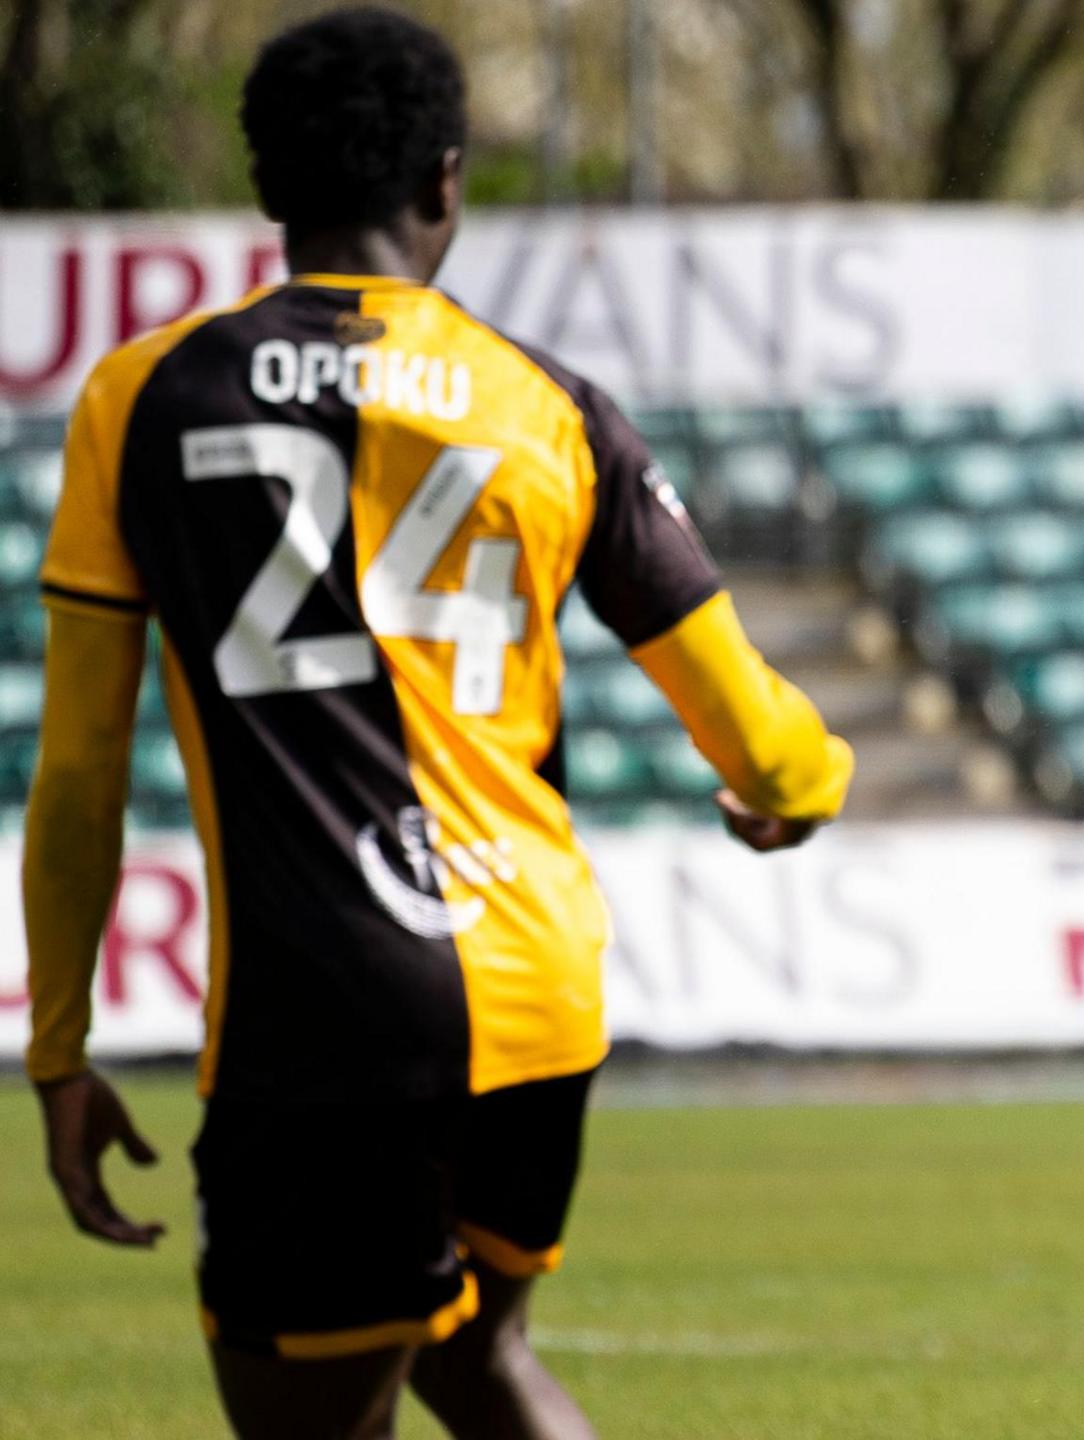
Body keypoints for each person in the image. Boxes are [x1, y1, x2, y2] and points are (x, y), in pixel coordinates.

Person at [21, 9, 855, 1437]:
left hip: (320, 1009)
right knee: (481, 1360)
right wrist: (802, 784)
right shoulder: (551, 408)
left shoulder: (141, 397)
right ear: (447, 181)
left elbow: (85, 766)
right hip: (535, 991)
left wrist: (57, 1049)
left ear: (271, 188)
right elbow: (759, 734)